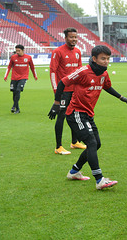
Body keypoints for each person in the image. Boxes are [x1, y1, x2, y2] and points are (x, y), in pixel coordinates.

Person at [48, 45, 127, 190]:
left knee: (97, 144)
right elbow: (63, 82)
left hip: (88, 114)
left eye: (108, 58)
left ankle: (74, 171)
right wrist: (56, 103)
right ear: (94, 59)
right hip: (76, 113)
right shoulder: (83, 71)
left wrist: (121, 97)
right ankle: (99, 180)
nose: (106, 61)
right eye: (103, 59)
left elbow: (106, 86)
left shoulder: (104, 74)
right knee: (92, 143)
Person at [50, 27, 84, 155]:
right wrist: (56, 91)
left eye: (75, 37)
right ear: (65, 38)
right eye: (71, 37)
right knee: (62, 116)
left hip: (76, 90)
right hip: (63, 90)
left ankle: (74, 142)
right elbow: (53, 71)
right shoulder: (58, 51)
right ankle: (58, 147)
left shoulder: (78, 52)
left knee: (75, 114)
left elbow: (80, 71)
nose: (74, 39)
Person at [4, 44, 38, 114]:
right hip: (14, 77)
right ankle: (17, 109)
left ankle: (14, 106)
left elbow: (32, 67)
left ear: (23, 50)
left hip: (23, 77)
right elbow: (9, 67)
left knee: (18, 90)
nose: (17, 52)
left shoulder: (28, 57)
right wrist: (6, 76)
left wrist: (35, 75)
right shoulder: (13, 57)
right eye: (16, 50)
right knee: (14, 93)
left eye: (19, 51)